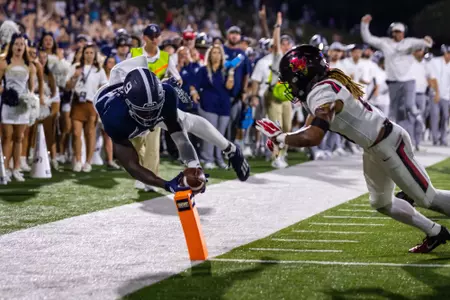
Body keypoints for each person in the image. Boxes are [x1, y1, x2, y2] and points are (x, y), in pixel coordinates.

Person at [256, 45, 450, 253]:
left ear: (303, 75)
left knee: (428, 198)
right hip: (375, 147)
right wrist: (285, 139)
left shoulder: (322, 91)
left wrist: (281, 137)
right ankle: (435, 232)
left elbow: (314, 136)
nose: (290, 88)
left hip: (389, 143)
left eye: (290, 81)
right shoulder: (321, 89)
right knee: (382, 202)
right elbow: (310, 126)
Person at [94, 56, 250, 190]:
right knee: (141, 144)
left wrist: (194, 166)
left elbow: (180, 138)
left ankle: (230, 149)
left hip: (150, 94)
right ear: (128, 103)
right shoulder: (113, 116)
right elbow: (132, 166)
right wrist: (166, 184)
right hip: (117, 102)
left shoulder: (166, 94)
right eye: (144, 111)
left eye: (154, 108)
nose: (150, 116)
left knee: (185, 120)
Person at [360, 14, 431, 135]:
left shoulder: (410, 42)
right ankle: (400, 136)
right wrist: (364, 24)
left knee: (409, 105)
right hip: (393, 82)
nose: (397, 34)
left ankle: (418, 118)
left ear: (403, 33)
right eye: (395, 31)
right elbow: (368, 38)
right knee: (396, 113)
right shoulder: (385, 43)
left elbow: (425, 43)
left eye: (399, 32)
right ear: (391, 32)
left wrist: (428, 41)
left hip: (408, 81)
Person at [0, 33, 37, 182]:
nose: (19, 47)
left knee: (19, 137)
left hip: (23, 105)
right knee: (7, 136)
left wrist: (30, 98)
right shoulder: (4, 62)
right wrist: (6, 93)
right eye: (16, 44)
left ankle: (16, 168)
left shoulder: (29, 65)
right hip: (8, 105)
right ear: (12, 46)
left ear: (25, 47)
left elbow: (32, 88)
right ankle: (6, 168)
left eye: (22, 44)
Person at [427, 45, 450, 146]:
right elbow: (432, 78)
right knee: (435, 116)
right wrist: (436, 93)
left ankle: (443, 138)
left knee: (445, 117)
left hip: (447, 96)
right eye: (447, 53)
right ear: (444, 53)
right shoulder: (434, 61)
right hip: (434, 94)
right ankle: (435, 138)